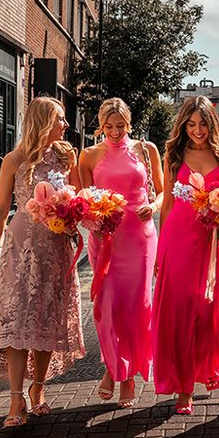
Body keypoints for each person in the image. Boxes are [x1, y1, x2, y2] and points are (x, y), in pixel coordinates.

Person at [0, 97, 84, 428]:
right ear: (43, 121)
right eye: (60, 119)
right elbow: (0, 209)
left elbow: (80, 199)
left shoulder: (67, 157)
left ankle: (38, 390)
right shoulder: (14, 159)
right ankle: (15, 398)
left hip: (54, 247)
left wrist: (72, 215)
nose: (65, 126)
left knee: (45, 321)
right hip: (21, 247)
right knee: (16, 321)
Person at [152, 95, 219, 415]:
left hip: (211, 241)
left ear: (212, 123)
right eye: (191, 124)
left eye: (203, 124)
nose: (197, 130)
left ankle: (204, 369)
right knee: (179, 313)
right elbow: (166, 205)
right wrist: (160, 250)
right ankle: (184, 387)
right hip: (177, 239)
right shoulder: (174, 153)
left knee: (206, 313)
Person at [78, 98, 164, 408]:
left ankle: (125, 375)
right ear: (100, 125)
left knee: (136, 307)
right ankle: (113, 367)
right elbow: (82, 199)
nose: (115, 132)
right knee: (107, 307)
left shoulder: (146, 149)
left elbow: (163, 191)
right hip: (106, 238)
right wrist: (94, 220)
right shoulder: (88, 156)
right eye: (109, 126)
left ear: (129, 123)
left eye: (121, 126)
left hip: (140, 236)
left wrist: (151, 207)